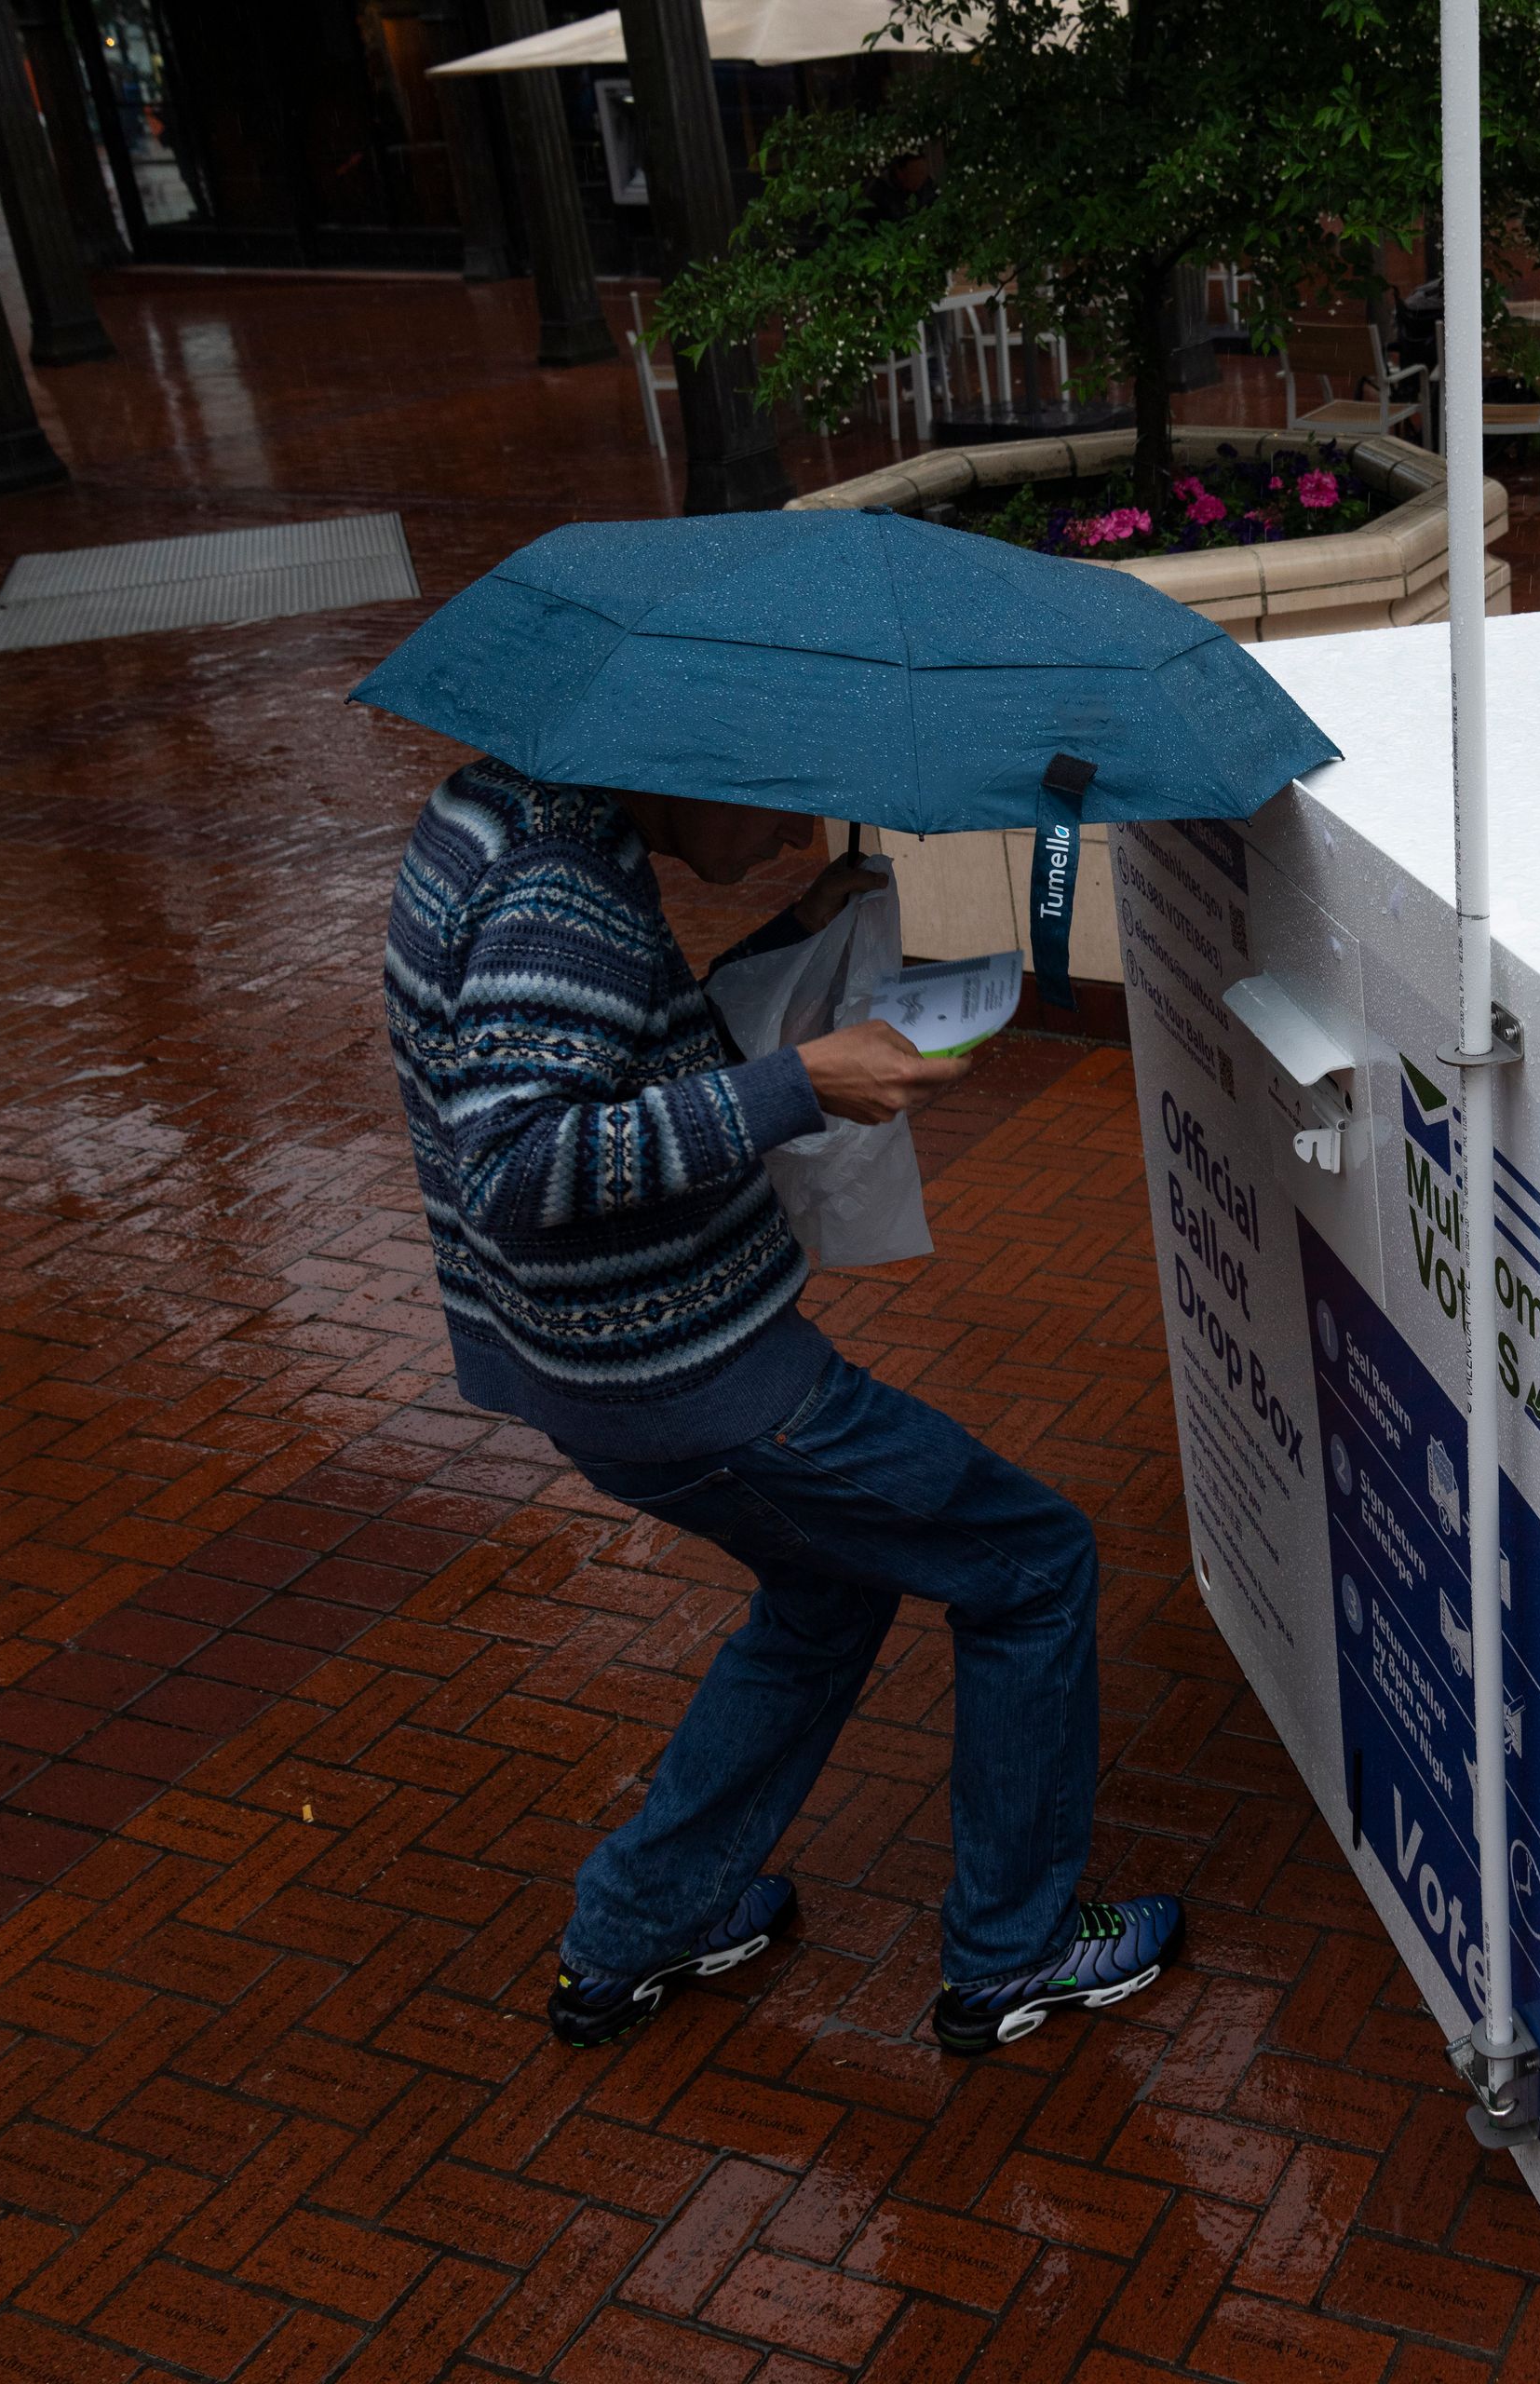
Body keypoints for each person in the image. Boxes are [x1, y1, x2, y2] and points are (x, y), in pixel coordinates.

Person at [383, 758, 1182, 2052]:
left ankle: (647, 1923)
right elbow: (519, 1161)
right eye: (769, 798)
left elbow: (593, 1055)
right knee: (1032, 1564)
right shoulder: (562, 887)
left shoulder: (501, 813)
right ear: (683, 756)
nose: (782, 833)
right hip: (695, 1380)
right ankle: (1013, 1950)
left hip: (598, 1366)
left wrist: (789, 941)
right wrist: (801, 1084)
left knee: (829, 1586)